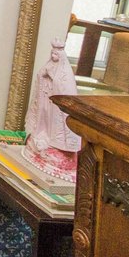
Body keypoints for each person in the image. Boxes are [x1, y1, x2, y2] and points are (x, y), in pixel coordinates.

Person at [23, 38, 81, 182]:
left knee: (53, 123)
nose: (54, 57)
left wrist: (52, 76)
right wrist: (45, 73)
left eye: (56, 55)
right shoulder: (48, 65)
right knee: (43, 119)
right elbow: (40, 75)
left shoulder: (64, 72)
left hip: (55, 106)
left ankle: (55, 145)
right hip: (46, 99)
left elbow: (63, 87)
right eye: (52, 54)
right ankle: (41, 136)